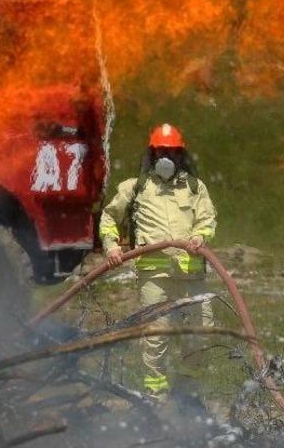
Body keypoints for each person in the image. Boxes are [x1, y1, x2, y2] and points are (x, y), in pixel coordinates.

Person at [99, 123, 217, 403]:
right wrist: (111, 246)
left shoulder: (195, 187)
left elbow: (207, 219)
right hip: (154, 277)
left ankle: (187, 393)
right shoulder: (135, 187)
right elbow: (109, 217)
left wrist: (200, 236)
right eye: (161, 151)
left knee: (201, 332)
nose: (166, 157)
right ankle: (155, 396)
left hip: (191, 276)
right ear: (152, 154)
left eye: (172, 152)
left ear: (181, 155)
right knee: (155, 337)